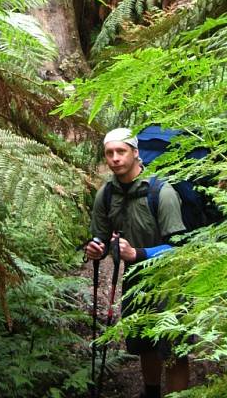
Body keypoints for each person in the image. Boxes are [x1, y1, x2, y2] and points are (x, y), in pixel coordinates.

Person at [85, 127, 191, 398]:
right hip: (136, 279)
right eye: (109, 153)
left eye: (121, 151)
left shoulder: (161, 192)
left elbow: (180, 248)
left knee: (173, 347)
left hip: (170, 281)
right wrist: (96, 249)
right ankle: (151, 393)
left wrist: (138, 254)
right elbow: (100, 235)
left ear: (135, 153)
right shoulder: (106, 194)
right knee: (144, 343)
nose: (115, 158)